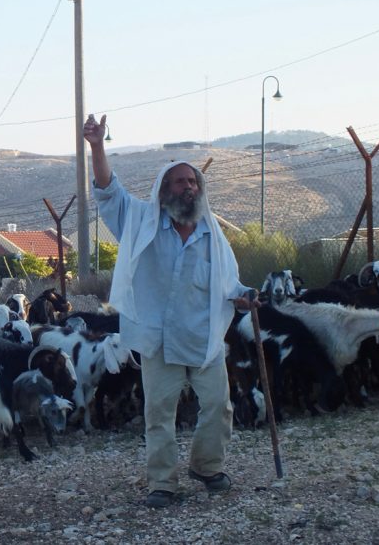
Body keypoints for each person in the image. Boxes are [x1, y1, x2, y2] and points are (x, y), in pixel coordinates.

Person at [83, 114, 258, 509]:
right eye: (180, 181)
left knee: (218, 405)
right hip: (158, 338)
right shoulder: (141, 220)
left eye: (193, 181)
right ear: (164, 189)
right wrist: (97, 146)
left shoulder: (212, 232)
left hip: (203, 337)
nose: (189, 187)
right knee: (159, 411)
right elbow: (109, 191)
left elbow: (230, 282)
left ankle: (207, 466)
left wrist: (244, 296)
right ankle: (162, 482)